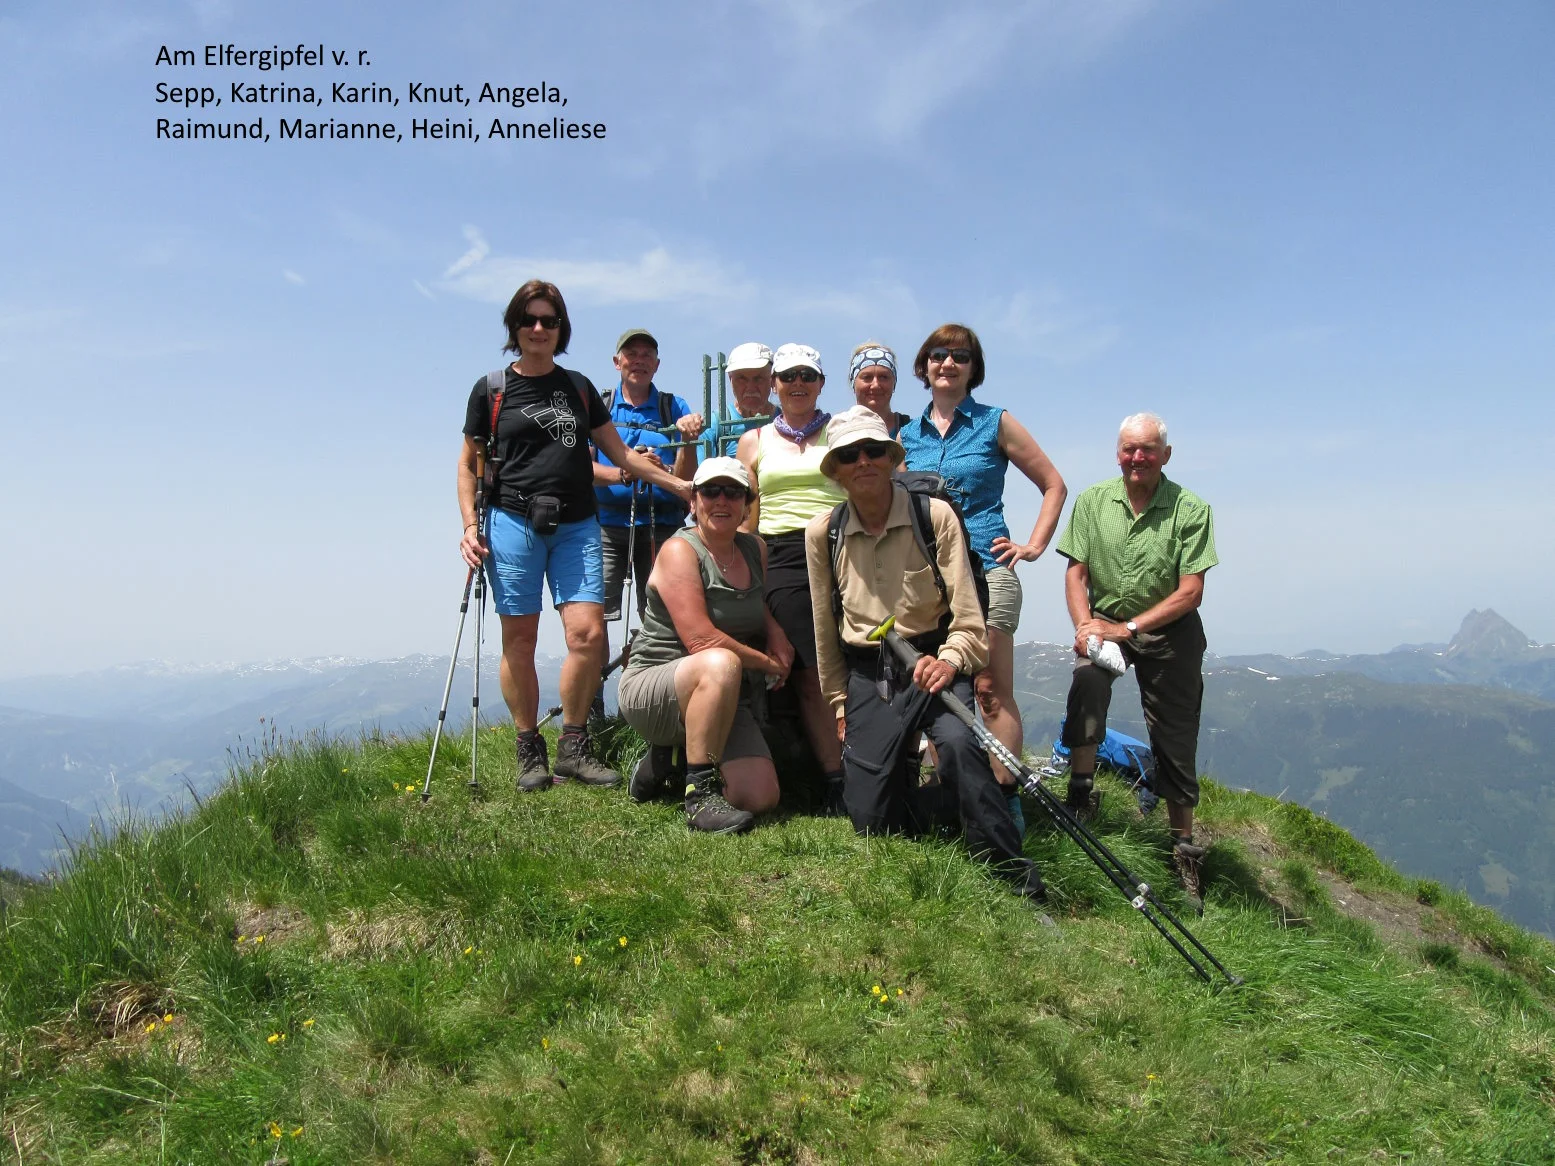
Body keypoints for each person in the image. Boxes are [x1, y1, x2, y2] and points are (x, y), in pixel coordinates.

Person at [458, 280, 695, 793]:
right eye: (529, 320)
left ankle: (573, 745)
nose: (539, 329)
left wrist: (681, 486)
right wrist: (470, 527)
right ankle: (529, 750)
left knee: (587, 634)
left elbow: (624, 456)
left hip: (577, 524)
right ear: (515, 327)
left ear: (561, 328)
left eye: (549, 320)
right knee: (518, 639)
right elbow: (467, 466)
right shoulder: (492, 389)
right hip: (511, 521)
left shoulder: (579, 388)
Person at [805, 406, 1046, 903]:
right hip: (870, 672)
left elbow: (968, 617)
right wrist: (838, 703)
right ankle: (955, 809)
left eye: (874, 451)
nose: (863, 462)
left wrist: (951, 660)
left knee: (958, 744)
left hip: (935, 660)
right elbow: (825, 630)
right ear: (836, 469)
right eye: (850, 455)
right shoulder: (821, 533)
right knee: (872, 820)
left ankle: (1011, 874)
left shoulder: (933, 516)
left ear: (892, 457)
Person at [899, 324, 1067, 813]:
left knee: (991, 690)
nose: (947, 363)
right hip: (928, 577)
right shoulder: (906, 434)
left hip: (988, 565)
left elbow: (1053, 484)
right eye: (937, 355)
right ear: (923, 366)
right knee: (937, 683)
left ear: (974, 368)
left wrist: (1034, 545)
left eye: (959, 356)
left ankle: (1005, 800)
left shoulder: (996, 422)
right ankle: (950, 792)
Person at [1055, 412, 1218, 911]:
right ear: (1117, 453)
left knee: (1174, 729)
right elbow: (1075, 572)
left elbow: (1191, 591)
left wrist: (1127, 629)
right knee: (1088, 685)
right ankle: (1081, 795)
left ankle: (1182, 846)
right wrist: (1086, 626)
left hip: (1168, 633)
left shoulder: (1189, 508)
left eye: (1148, 449)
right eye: (1129, 449)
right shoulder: (1092, 501)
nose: (1138, 458)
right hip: (1105, 622)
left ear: (1165, 455)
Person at [619, 457, 792, 833]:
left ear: (746, 504)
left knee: (760, 796)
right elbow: (701, 639)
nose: (722, 501)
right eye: (711, 491)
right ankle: (700, 795)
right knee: (721, 661)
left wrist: (776, 634)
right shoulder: (680, 551)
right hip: (654, 685)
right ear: (693, 501)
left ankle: (667, 761)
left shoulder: (753, 549)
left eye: (733, 492)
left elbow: (755, 604)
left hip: (720, 691)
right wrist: (768, 664)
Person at [735, 343, 848, 809]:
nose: (797, 384)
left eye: (807, 375)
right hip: (782, 555)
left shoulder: (841, 432)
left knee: (861, 662)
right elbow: (747, 512)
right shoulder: (754, 441)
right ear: (774, 385)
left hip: (843, 548)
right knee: (807, 672)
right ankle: (835, 779)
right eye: (788, 376)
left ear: (821, 383)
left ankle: (873, 766)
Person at [592, 327, 705, 628]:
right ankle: (595, 675)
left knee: (663, 615)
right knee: (592, 618)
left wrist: (661, 469)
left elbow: (686, 479)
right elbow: (581, 468)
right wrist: (625, 473)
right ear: (617, 362)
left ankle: (654, 673)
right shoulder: (598, 406)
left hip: (662, 525)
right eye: (632, 354)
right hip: (606, 526)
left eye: (647, 356)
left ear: (657, 365)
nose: (639, 361)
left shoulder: (674, 407)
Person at [848, 342, 912, 438]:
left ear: (894, 383)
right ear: (853, 382)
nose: (875, 385)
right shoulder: (838, 430)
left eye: (883, 377)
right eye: (867, 377)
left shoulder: (912, 432)